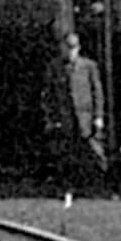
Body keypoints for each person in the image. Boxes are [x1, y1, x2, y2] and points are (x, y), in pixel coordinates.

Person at [42, 31, 107, 180]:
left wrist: (98, 116)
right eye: (68, 47)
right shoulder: (54, 67)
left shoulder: (89, 66)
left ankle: (101, 176)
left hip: (86, 114)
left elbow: (97, 92)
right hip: (65, 114)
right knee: (66, 148)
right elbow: (48, 94)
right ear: (62, 48)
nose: (71, 51)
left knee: (93, 146)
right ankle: (70, 178)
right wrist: (51, 117)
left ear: (79, 48)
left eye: (74, 47)